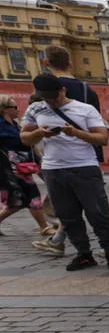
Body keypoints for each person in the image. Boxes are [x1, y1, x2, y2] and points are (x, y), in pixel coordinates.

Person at [20, 74, 109, 271]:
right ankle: (84, 254)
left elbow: (102, 138)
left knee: (98, 213)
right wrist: (40, 133)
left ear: (63, 90)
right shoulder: (36, 108)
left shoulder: (84, 109)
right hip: (53, 169)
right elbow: (25, 138)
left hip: (84, 167)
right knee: (68, 215)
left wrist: (75, 133)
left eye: (54, 96)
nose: (51, 101)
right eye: (46, 97)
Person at [0, 95, 52, 236]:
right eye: (14, 107)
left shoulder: (15, 124)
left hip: (23, 165)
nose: (18, 109)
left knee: (18, 201)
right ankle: (45, 227)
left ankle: (45, 226)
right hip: (9, 168)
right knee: (31, 195)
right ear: (5, 109)